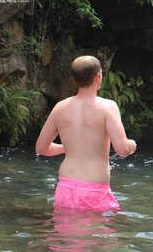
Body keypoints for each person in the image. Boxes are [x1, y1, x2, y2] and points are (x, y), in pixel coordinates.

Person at [36, 55, 137, 212]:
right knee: (101, 228)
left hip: (65, 188)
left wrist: (69, 148)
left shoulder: (60, 107)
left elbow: (41, 148)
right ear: (97, 77)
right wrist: (131, 145)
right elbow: (122, 149)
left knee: (66, 227)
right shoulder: (108, 107)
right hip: (94, 191)